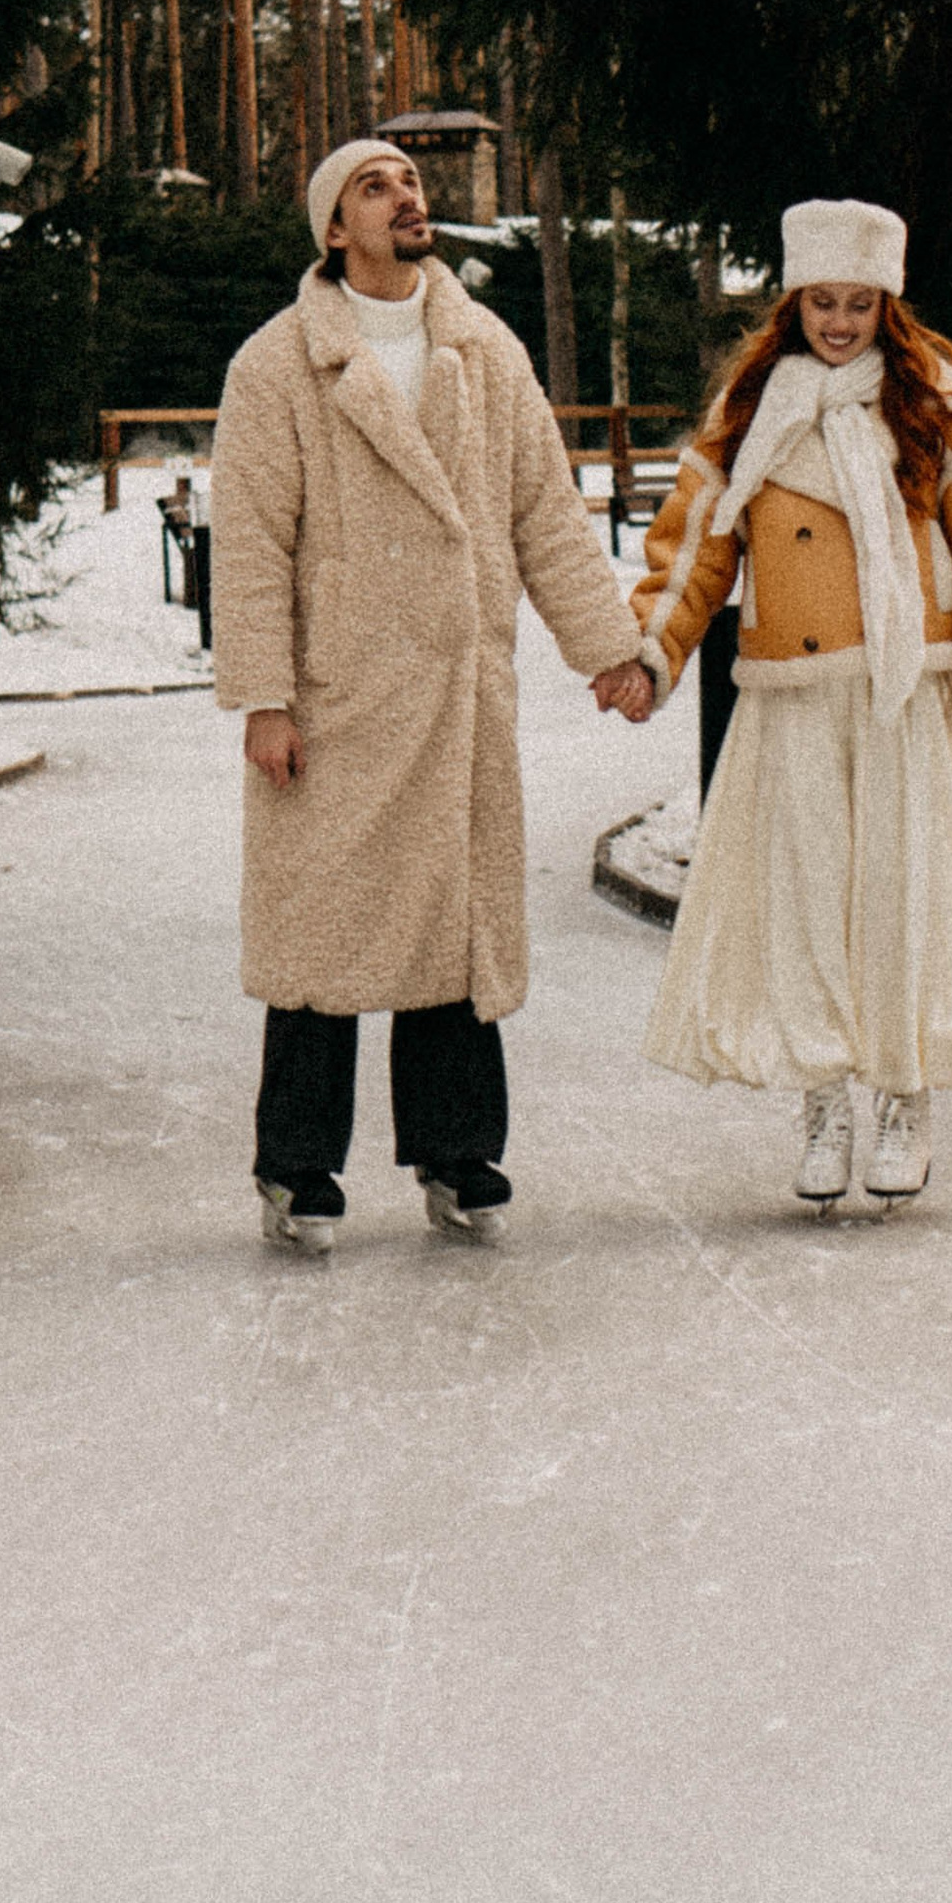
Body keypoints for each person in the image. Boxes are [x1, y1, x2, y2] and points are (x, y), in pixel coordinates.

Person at [210, 138, 654, 1254]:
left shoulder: (483, 349)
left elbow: (545, 514)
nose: (406, 196)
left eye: (409, 180)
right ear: (334, 229)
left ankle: (458, 1155)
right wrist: (264, 696)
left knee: (452, 930)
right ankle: (296, 1167)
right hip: (338, 698)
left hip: (458, 693)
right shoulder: (279, 363)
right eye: (376, 186)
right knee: (322, 939)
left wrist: (608, 650)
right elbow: (252, 544)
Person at [627, 198, 952, 1209]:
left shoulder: (932, 399)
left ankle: (903, 1097)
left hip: (903, 692)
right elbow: (695, 543)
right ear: (795, 303)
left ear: (886, 305)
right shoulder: (750, 406)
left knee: (899, 898)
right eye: (822, 302)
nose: (840, 322)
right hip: (793, 693)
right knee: (805, 902)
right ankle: (823, 1101)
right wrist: (649, 651)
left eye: (859, 304)